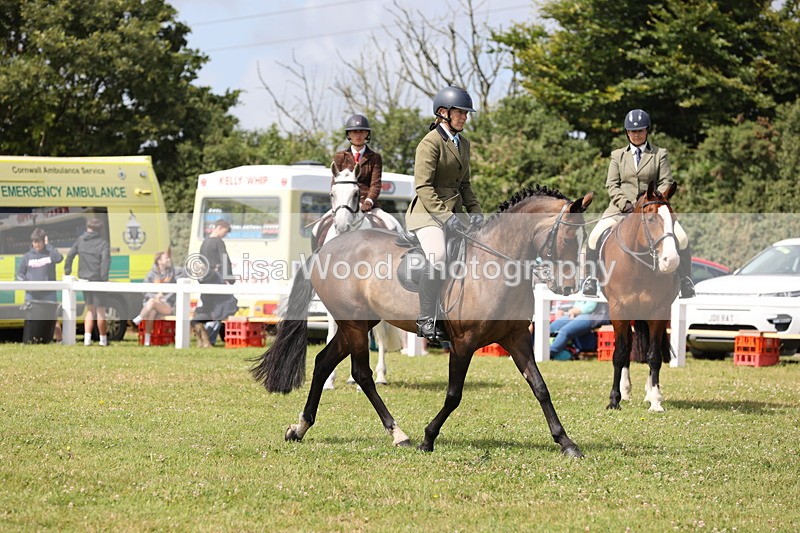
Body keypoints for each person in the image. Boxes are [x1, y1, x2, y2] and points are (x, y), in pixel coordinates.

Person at [583, 109, 694, 298]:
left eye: (640, 131)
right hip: (620, 208)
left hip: (652, 208)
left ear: (647, 131)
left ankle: (685, 280)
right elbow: (612, 184)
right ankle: (590, 279)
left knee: (682, 238)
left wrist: (655, 199)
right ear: (627, 133)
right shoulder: (617, 155)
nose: (636, 135)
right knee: (594, 237)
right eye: (633, 131)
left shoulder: (660, 154)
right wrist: (624, 203)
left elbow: (666, 181)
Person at [405, 86, 483, 341]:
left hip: (455, 212)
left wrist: (476, 212)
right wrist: (447, 218)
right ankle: (426, 318)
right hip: (427, 214)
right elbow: (424, 187)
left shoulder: (464, 144)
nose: (464, 117)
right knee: (438, 256)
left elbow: (465, 185)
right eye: (460, 112)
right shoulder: (429, 143)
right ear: (443, 112)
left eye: (465, 113)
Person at [64, 218, 111, 346]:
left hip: (84, 280)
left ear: (87, 228)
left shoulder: (80, 240)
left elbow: (70, 256)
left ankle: (87, 340)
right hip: (98, 280)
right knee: (101, 311)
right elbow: (105, 263)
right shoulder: (103, 243)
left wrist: (67, 271)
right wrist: (104, 279)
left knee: (90, 310)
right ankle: (103, 340)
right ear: (99, 230)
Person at [16, 228, 64, 342]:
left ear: (44, 241)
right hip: (32, 295)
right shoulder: (27, 257)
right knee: (31, 320)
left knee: (52, 319)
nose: (36, 244)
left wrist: (49, 245)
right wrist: (26, 283)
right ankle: (31, 340)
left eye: (39, 242)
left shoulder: (50, 254)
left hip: (48, 294)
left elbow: (59, 258)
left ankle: (59, 340)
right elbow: (19, 274)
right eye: (34, 242)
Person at [131, 250, 184, 346]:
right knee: (151, 312)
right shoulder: (151, 274)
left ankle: (139, 317)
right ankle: (147, 341)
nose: (168, 260)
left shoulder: (173, 271)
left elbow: (185, 272)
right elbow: (145, 290)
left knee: (152, 302)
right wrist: (155, 296)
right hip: (153, 305)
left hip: (167, 304)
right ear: (159, 261)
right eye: (166, 258)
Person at [190, 268, 239, 348]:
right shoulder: (218, 279)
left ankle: (205, 342)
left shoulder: (208, 284)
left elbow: (207, 307)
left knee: (195, 320)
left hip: (219, 312)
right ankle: (204, 342)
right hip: (228, 310)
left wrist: (196, 310)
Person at [199, 219, 233, 283]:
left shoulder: (205, 242)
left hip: (205, 277)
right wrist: (230, 278)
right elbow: (225, 260)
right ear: (219, 227)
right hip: (216, 277)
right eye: (225, 232)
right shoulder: (219, 242)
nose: (225, 235)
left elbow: (200, 259)